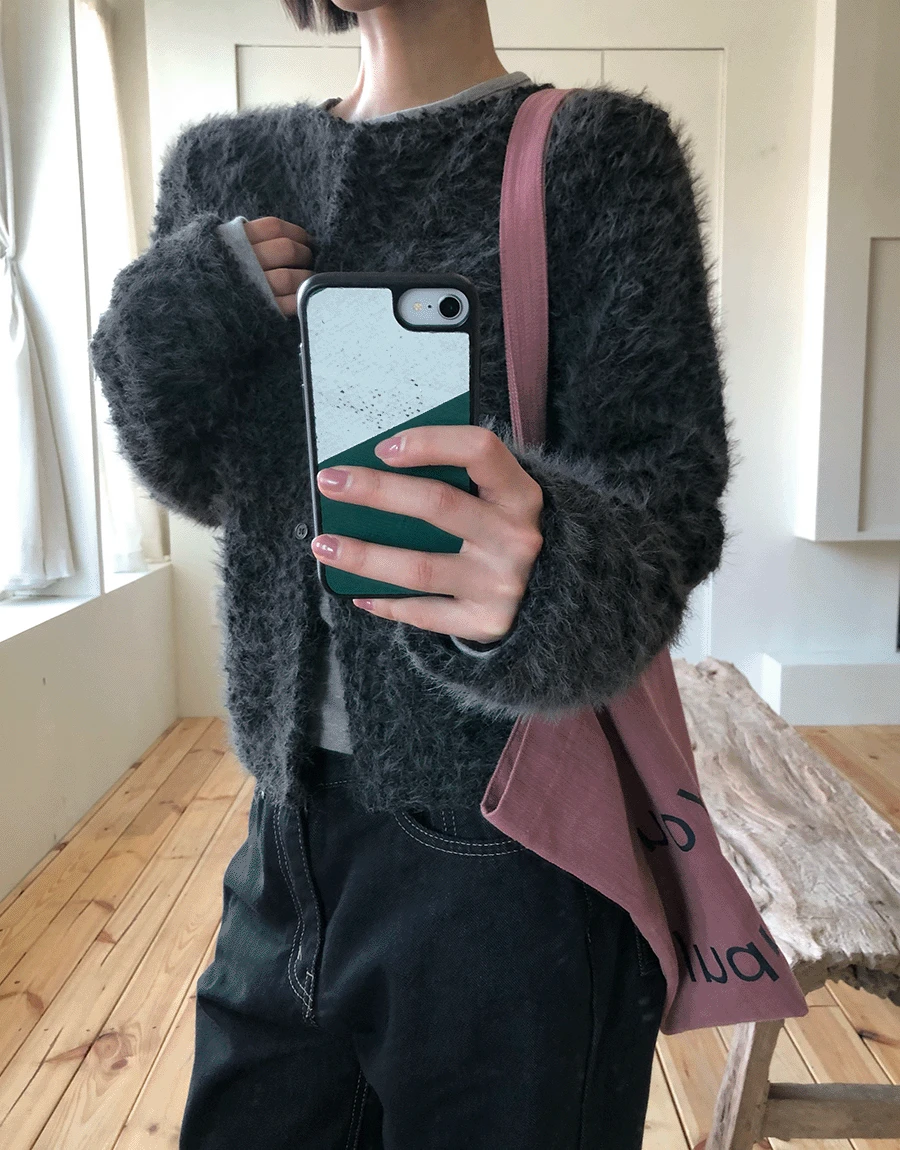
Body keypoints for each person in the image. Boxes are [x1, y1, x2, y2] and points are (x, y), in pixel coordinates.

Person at [89, 0, 733, 1146]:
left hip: (511, 846)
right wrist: (168, 321)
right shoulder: (223, 170)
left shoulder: (595, 156)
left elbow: (666, 515)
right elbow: (200, 478)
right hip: (282, 831)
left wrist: (537, 583)